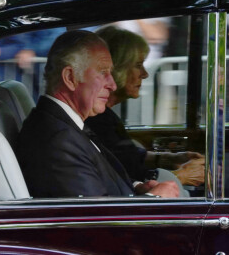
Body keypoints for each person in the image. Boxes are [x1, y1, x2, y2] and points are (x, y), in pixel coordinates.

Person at [17, 30, 179, 198]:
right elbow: (96, 218)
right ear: (70, 77)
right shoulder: (58, 142)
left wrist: (138, 187)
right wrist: (155, 199)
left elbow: (104, 178)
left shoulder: (66, 124)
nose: (112, 85)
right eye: (103, 72)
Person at [85, 25, 204, 192]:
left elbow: (127, 156)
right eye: (138, 65)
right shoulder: (96, 121)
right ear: (118, 67)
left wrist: (170, 158)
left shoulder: (105, 117)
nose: (145, 74)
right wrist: (181, 176)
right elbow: (125, 181)